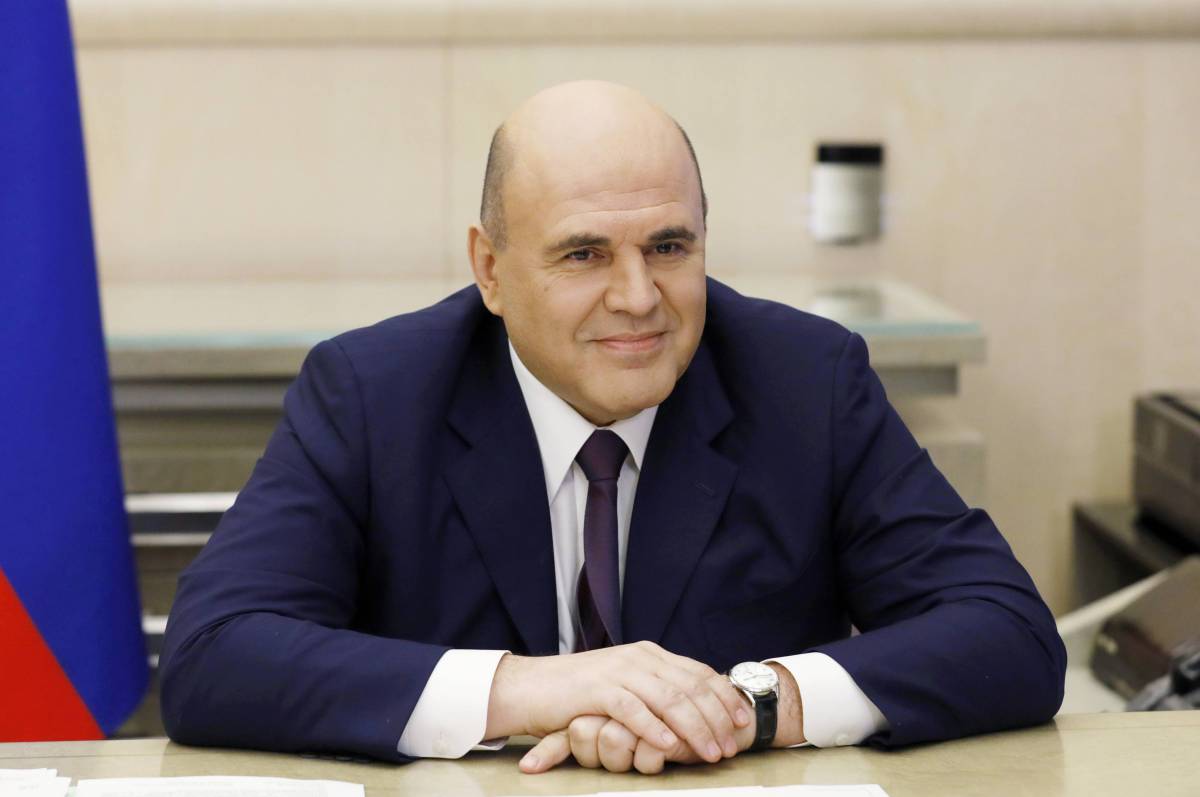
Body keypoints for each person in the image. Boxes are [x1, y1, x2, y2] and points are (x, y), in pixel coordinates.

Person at [159, 80, 1066, 775]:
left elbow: (1008, 632)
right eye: (584, 253)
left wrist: (748, 705)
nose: (638, 298)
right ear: (490, 269)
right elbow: (211, 654)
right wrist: (535, 688)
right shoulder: (374, 394)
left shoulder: (804, 381)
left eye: (669, 247)